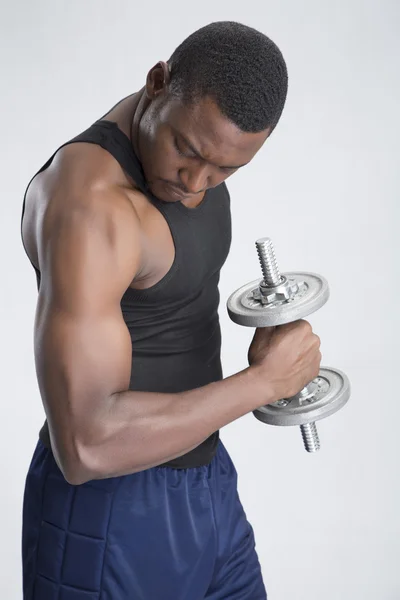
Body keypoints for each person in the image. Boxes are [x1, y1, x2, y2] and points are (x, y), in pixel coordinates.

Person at [20, 20, 321, 600]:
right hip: (108, 518)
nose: (196, 182)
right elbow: (86, 445)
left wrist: (263, 353)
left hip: (206, 487)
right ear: (158, 82)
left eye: (226, 170)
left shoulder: (196, 163)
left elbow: (172, 315)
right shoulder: (91, 207)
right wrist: (263, 383)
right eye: (187, 149)